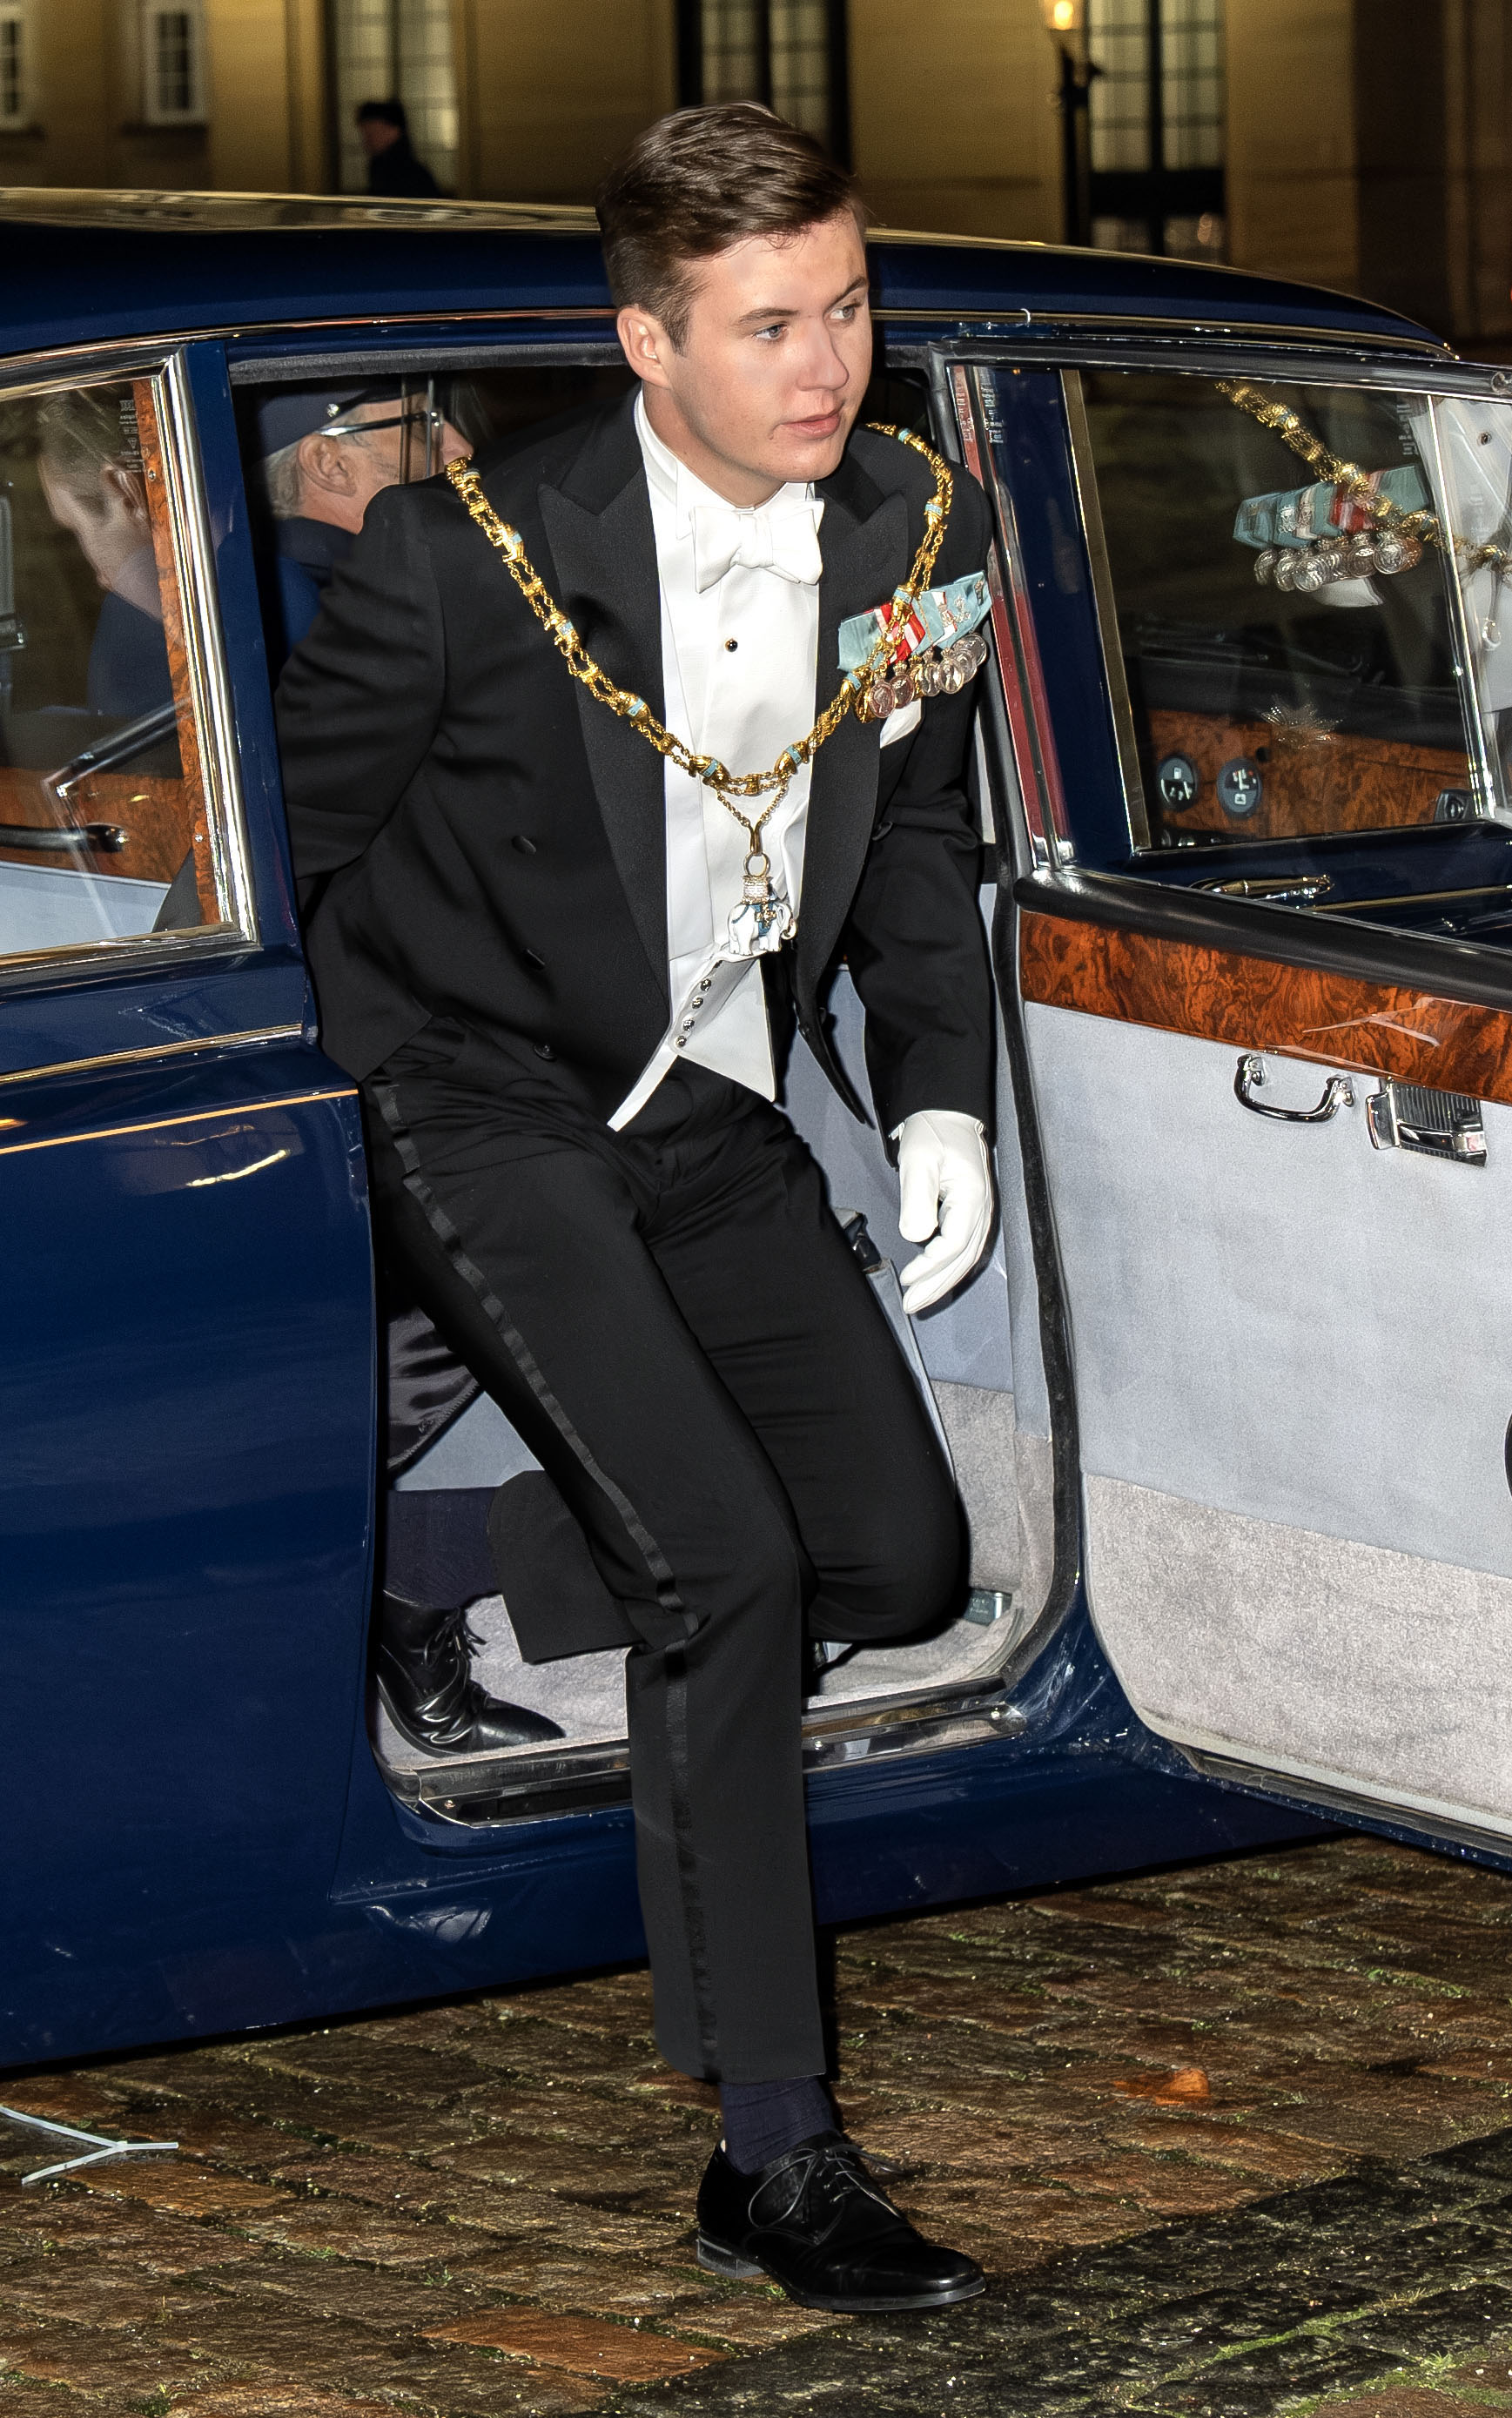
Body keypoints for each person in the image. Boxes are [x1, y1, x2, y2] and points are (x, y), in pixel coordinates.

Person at [276, 102, 995, 2313]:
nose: (827, 363)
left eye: (847, 305)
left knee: (900, 1556)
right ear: (644, 342)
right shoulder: (458, 554)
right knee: (729, 1570)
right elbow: (304, 839)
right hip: (487, 1098)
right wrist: (376, 1080)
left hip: (711, 1100)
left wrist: (940, 1095)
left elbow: (914, 834)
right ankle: (772, 2150)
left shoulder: (910, 521)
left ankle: (446, 1561)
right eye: (767, 324)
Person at [253, 383, 471, 665]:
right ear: (330, 465)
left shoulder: (303, 588)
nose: (462, 449)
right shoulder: (307, 610)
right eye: (423, 424)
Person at [356, 99, 440, 199]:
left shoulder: (408, 173)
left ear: (394, 131)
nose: (367, 140)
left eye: (372, 133)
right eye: (365, 134)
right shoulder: (381, 165)